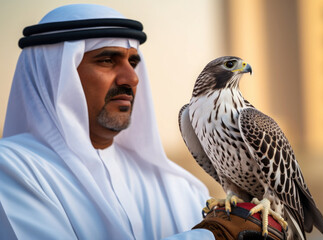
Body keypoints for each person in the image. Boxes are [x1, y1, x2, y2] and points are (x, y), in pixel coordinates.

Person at [0, 4, 215, 240]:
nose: (131, 78)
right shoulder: (14, 169)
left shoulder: (181, 190)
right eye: (107, 60)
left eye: (133, 63)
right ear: (55, 74)